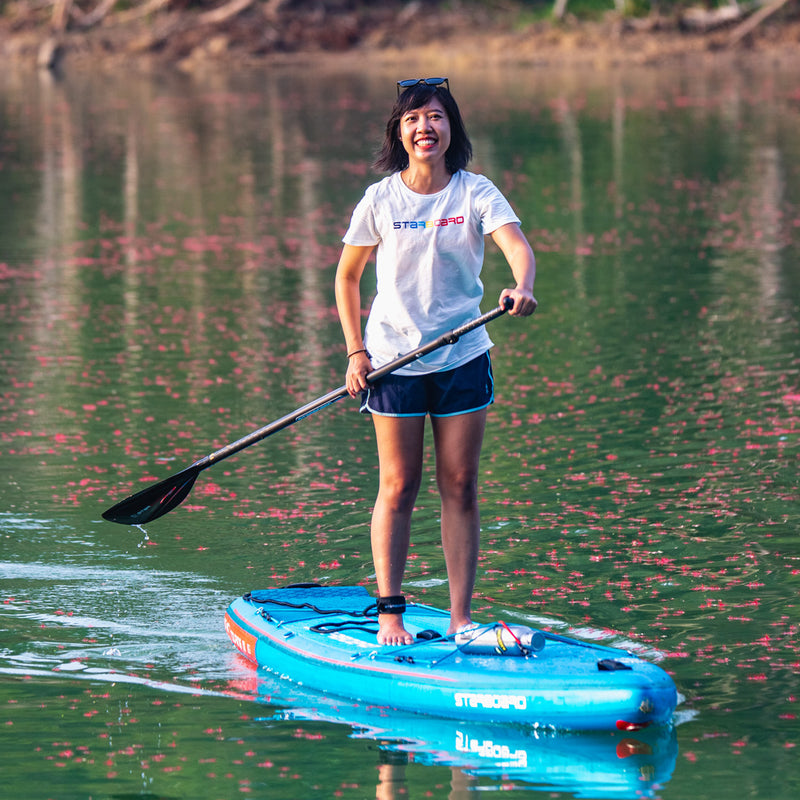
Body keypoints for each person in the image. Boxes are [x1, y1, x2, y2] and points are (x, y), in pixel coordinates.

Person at [334, 77, 537, 646]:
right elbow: (347, 277)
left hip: (463, 357)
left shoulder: (476, 192)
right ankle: (390, 614)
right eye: (413, 119)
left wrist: (521, 286)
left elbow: (517, 248)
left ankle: (460, 619)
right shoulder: (380, 199)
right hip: (393, 362)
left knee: (461, 483)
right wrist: (356, 353)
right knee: (398, 486)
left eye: (436, 117)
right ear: (400, 133)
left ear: (452, 129)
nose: (426, 127)